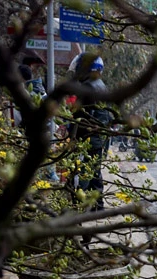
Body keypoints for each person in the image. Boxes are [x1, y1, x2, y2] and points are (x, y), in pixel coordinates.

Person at [67, 52, 111, 212]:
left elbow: (78, 115)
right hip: (99, 137)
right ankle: (98, 206)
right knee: (95, 171)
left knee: (83, 174)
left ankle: (78, 208)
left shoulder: (86, 87)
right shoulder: (101, 85)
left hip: (87, 137)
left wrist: (72, 137)